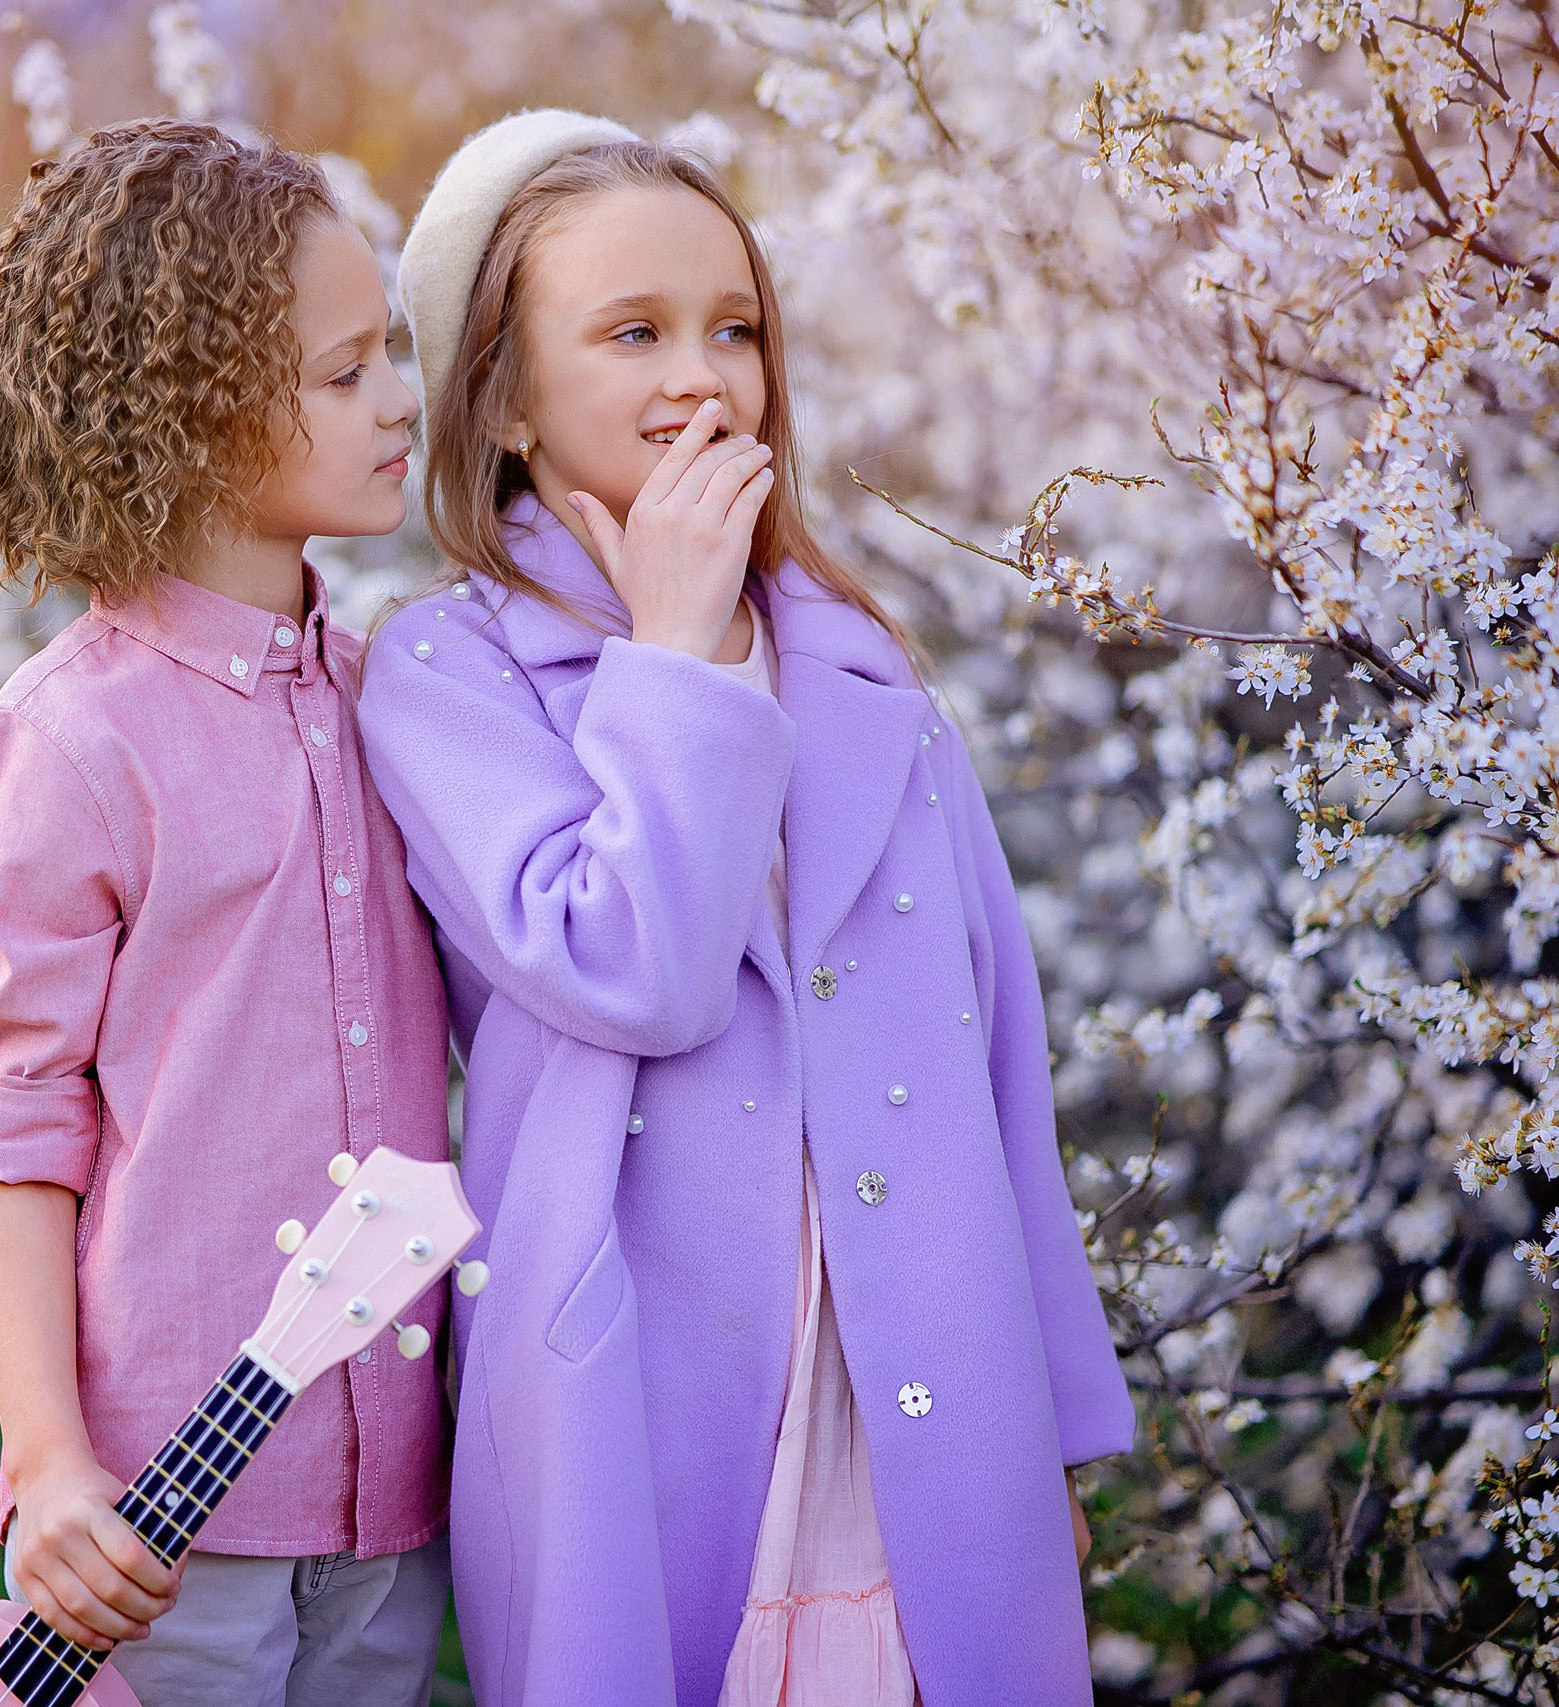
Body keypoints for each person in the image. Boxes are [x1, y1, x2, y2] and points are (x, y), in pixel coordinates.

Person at [356, 111, 1135, 1707]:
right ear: (501, 396)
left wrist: (1053, 1420)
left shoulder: (865, 663)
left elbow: (1003, 1065)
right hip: (647, 1391)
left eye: (735, 330)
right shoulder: (449, 675)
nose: (699, 376)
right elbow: (631, 969)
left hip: (923, 1374)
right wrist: (668, 649)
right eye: (631, 332)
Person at [0, 118, 451, 1707]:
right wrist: (50, 1465)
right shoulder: (72, 741)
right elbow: (16, 1126)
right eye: (346, 369)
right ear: (202, 412)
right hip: (175, 1518)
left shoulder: (403, 702)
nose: (402, 401)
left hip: (403, 1490)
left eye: (395, 356)